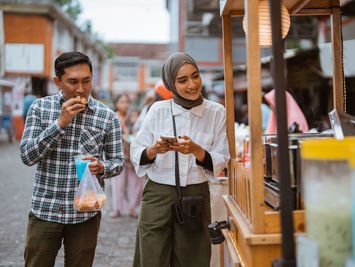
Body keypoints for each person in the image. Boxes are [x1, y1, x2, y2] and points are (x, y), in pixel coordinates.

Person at [20, 51, 124, 267]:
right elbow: (27, 156)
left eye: (86, 81)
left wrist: (101, 167)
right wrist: (60, 123)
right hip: (45, 210)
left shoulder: (107, 116)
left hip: (85, 214)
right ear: (58, 81)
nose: (80, 89)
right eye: (72, 82)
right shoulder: (40, 109)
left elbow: (118, 162)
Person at [130, 52, 230, 267]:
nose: (192, 84)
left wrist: (196, 150)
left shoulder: (216, 112)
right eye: (182, 80)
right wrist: (154, 149)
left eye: (195, 76)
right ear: (170, 84)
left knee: (192, 258)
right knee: (151, 257)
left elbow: (222, 156)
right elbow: (136, 150)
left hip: (195, 193)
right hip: (157, 193)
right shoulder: (157, 110)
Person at [110, 94, 145, 218]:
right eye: (122, 102)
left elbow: (140, 132)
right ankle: (117, 208)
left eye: (126, 102)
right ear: (116, 104)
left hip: (132, 155)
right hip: (118, 155)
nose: (125, 104)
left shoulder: (133, 117)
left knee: (136, 184)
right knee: (117, 184)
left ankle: (133, 208)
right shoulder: (113, 117)